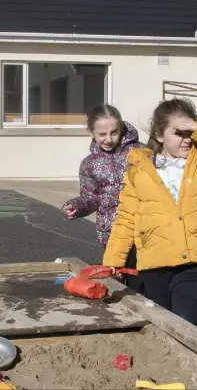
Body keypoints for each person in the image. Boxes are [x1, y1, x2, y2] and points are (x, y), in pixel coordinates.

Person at [103, 98, 197, 327]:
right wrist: (113, 261)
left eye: (191, 132)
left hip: (193, 263)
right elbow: (126, 220)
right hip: (154, 264)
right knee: (161, 322)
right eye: (179, 132)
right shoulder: (138, 172)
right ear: (160, 135)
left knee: (185, 321)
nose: (187, 139)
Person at [62, 104, 144, 292]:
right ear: (91, 132)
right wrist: (77, 206)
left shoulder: (141, 154)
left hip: (142, 229)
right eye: (102, 134)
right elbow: (91, 197)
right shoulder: (90, 164)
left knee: (141, 283)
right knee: (115, 284)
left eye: (114, 132)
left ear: (122, 128)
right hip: (111, 233)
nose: (108, 139)